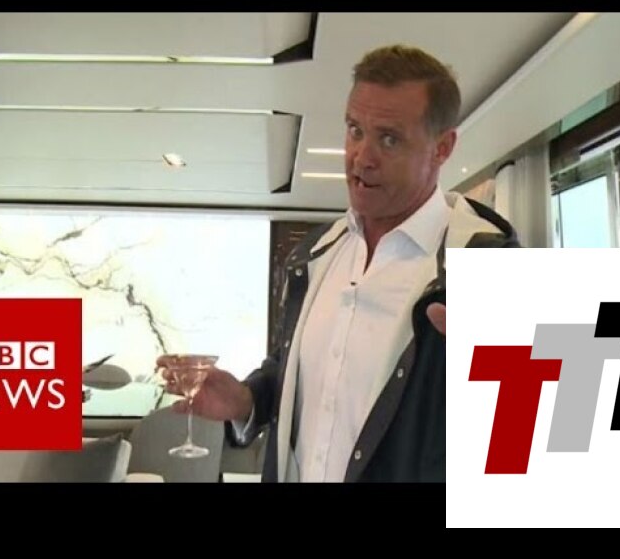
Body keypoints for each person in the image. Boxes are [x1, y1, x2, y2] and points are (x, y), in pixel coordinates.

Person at [157, 45, 519, 482]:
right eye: (354, 130)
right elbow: (299, 375)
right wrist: (247, 401)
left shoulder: (491, 268)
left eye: (389, 139)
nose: (362, 156)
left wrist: (507, 383)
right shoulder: (315, 256)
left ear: (442, 148)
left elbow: (542, 448)